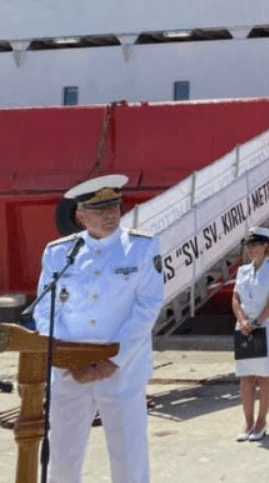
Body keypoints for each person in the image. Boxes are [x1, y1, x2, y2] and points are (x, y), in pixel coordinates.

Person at [33, 174, 165, 483]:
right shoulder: (58, 253)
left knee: (128, 458)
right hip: (70, 373)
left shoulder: (141, 247)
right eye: (99, 210)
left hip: (122, 370)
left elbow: (147, 306)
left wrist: (112, 361)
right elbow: (44, 309)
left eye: (114, 207)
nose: (110, 216)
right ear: (80, 216)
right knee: (63, 458)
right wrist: (70, 362)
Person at [232, 226, 269, 442]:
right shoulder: (243, 271)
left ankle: (261, 422)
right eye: (249, 245)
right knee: (246, 376)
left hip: (264, 326)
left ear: (266, 246)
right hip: (244, 326)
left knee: (264, 376)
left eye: (255, 245)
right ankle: (248, 421)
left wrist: (256, 321)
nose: (250, 249)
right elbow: (235, 298)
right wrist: (243, 320)